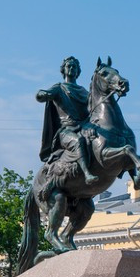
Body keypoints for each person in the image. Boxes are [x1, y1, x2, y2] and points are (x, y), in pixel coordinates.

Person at [37, 56, 102, 184]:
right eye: (69, 66)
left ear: (78, 71)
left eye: (74, 67)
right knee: (78, 141)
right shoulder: (59, 88)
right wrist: (42, 94)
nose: (72, 68)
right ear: (64, 70)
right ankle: (87, 174)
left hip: (84, 127)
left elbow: (93, 110)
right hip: (66, 131)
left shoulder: (84, 91)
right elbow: (40, 94)